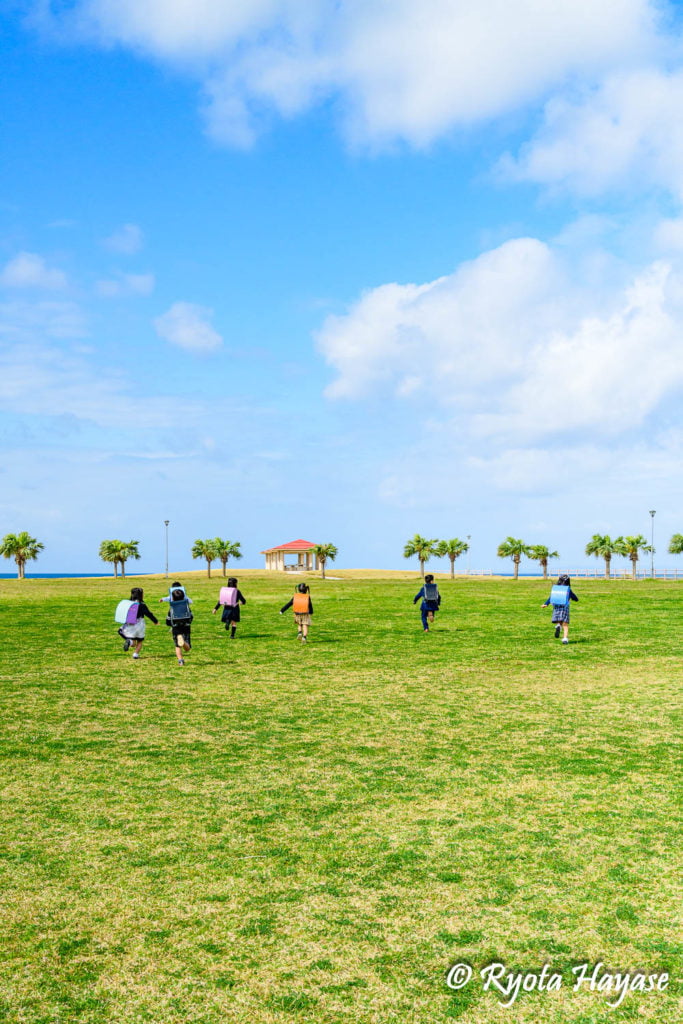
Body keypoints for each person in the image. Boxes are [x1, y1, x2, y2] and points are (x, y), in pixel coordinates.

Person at [118, 587, 158, 659]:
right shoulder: (142, 604)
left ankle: (129, 642)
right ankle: (135, 654)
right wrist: (155, 621)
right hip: (140, 624)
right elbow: (148, 613)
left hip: (130, 623)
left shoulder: (129, 604)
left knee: (130, 639)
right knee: (140, 640)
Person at [159, 584, 193, 665]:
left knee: (177, 646)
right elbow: (191, 617)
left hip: (175, 629)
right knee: (187, 648)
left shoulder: (172, 610)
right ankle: (184, 643)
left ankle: (180, 660)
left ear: (172, 598)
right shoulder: (187, 608)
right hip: (186, 628)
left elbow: (168, 621)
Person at [542, 573, 578, 645]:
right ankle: (565, 638)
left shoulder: (556, 589)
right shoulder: (568, 590)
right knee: (565, 624)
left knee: (559, 620)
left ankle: (558, 625)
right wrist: (576, 599)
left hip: (557, 607)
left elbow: (551, 597)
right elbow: (574, 597)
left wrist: (546, 604)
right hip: (565, 608)